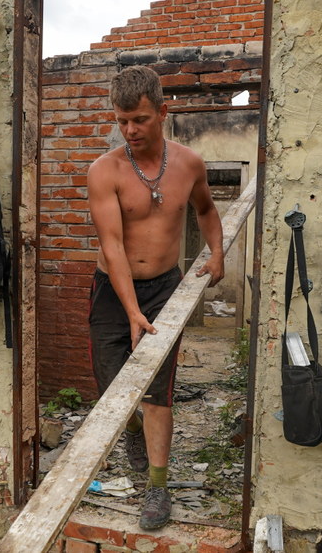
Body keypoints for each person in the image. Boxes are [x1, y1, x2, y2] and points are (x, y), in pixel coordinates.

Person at [86, 65, 224, 531]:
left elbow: (206, 209)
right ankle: (131, 440)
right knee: (112, 391)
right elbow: (113, 246)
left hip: (165, 286)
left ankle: (157, 488)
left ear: (163, 112)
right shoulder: (104, 171)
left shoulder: (189, 164)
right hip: (112, 291)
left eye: (140, 120)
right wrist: (130, 310)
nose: (129, 130)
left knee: (156, 391)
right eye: (122, 120)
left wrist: (219, 251)